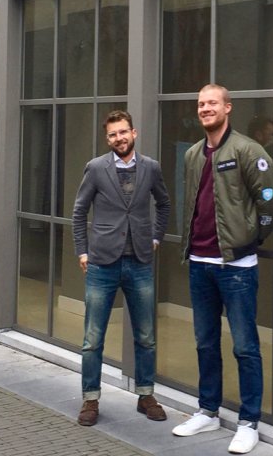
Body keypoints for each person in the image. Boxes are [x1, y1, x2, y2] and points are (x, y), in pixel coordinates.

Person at [171, 84, 273, 454]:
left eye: (212, 103)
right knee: (205, 342)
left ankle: (249, 422)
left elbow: (270, 201)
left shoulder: (248, 150)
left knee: (245, 346)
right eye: (201, 104)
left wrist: (251, 238)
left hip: (236, 267)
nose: (205, 108)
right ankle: (208, 411)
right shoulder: (192, 154)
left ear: (227, 108)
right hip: (199, 263)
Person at [71, 109, 171, 427]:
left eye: (123, 132)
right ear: (108, 139)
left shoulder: (151, 167)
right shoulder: (96, 168)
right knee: (93, 338)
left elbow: (164, 204)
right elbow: (79, 211)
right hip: (102, 263)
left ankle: (146, 395)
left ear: (134, 133)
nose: (119, 138)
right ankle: (90, 399)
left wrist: (156, 237)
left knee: (146, 335)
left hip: (139, 261)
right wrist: (82, 251)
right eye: (113, 134)